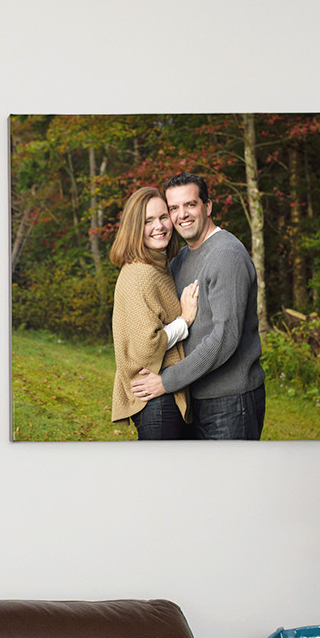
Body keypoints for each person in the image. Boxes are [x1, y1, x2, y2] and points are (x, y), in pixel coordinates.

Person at [128, 174, 266, 439]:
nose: (182, 215)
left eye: (190, 204)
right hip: (193, 399)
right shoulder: (180, 259)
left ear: (208, 207)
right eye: (174, 208)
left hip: (230, 402)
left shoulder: (226, 254)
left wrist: (166, 381)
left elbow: (224, 338)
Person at [107, 187, 199, 440]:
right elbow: (147, 346)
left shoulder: (158, 266)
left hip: (164, 393)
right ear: (135, 227)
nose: (159, 226)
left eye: (162, 217)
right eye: (148, 221)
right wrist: (185, 320)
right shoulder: (141, 274)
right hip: (156, 402)